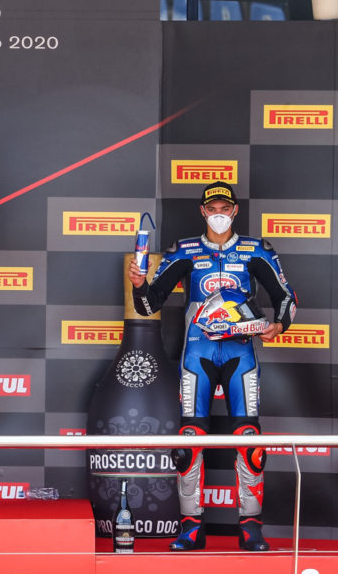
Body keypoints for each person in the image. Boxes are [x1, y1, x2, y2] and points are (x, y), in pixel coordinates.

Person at [127, 181, 296, 552]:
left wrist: (278, 325)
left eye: (225, 207)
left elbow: (286, 296)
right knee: (188, 443)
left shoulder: (255, 250)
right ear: (203, 211)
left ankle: (250, 526)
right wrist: (139, 285)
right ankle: (191, 527)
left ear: (234, 210)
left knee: (249, 440)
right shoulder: (184, 251)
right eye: (212, 208)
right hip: (197, 355)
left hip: (240, 354)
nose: (219, 214)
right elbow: (148, 305)